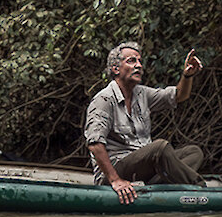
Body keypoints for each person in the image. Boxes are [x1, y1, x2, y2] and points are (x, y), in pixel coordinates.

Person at [84, 42, 205, 204]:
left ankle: (157, 184)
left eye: (140, 61)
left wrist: (187, 75)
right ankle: (201, 188)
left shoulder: (142, 94)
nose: (139, 66)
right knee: (160, 148)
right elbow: (94, 143)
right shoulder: (104, 100)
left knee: (193, 152)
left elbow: (178, 96)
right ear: (115, 69)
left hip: (144, 168)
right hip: (116, 170)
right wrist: (115, 180)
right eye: (131, 61)